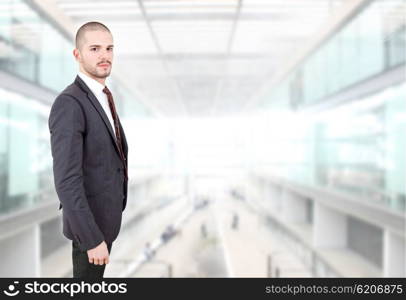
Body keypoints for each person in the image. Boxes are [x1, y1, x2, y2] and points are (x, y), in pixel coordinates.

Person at [48, 21, 128, 279]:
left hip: (104, 222)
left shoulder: (102, 96)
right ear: (77, 54)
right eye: (94, 49)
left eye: (109, 48)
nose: (104, 56)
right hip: (89, 230)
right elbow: (66, 180)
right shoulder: (70, 103)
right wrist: (92, 239)